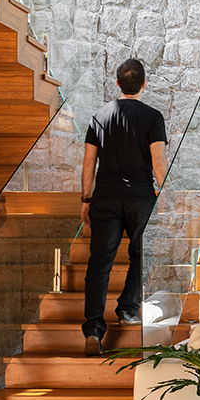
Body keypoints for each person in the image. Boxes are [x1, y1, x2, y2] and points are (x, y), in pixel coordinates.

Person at [81, 58, 168, 356]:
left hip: (104, 198)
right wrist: (165, 193)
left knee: (99, 262)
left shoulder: (99, 116)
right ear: (144, 84)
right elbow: (159, 163)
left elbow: (89, 163)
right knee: (140, 254)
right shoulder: (153, 117)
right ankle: (128, 309)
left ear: (117, 83)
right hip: (141, 199)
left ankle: (93, 329)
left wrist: (85, 199)